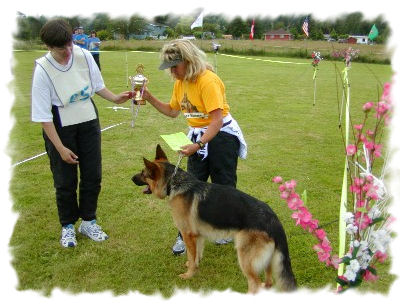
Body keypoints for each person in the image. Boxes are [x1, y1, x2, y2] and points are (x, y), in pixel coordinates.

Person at [141, 39, 247, 255]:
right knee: (188, 186)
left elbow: (216, 121)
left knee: (223, 185)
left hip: (222, 136)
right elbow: (172, 111)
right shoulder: (180, 83)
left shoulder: (208, 81)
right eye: (169, 67)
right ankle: (185, 234)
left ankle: (226, 230)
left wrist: (197, 144)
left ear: (189, 62)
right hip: (199, 136)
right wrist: (148, 97)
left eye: (175, 66)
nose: (172, 72)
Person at [31, 19, 131, 248]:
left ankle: (88, 221)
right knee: (65, 179)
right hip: (60, 125)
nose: (68, 52)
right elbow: (43, 116)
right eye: (60, 49)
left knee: (92, 175)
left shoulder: (83, 55)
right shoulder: (42, 70)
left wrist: (116, 98)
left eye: (69, 45)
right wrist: (60, 147)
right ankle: (68, 226)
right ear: (48, 46)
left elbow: (96, 85)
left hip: (88, 119)